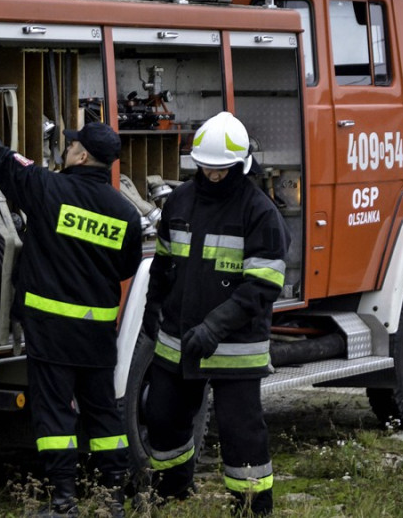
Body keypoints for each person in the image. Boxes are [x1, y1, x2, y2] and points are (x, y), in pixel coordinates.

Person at [0, 120, 143, 518]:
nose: (67, 150)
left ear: (82, 155)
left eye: (71, 146)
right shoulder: (124, 212)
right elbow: (124, 268)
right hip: (97, 334)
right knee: (103, 414)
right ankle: (112, 497)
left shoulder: (48, 189)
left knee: (56, 417)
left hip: (51, 332)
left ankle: (63, 501)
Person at [140, 111, 289, 516]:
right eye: (206, 167)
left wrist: (213, 327)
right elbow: (164, 265)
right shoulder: (181, 200)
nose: (214, 174)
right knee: (162, 417)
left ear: (240, 165)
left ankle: (251, 507)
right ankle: (171, 493)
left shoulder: (260, 213)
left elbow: (262, 286)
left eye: (222, 169)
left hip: (235, 347)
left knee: (242, 434)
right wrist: (151, 313)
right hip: (177, 341)